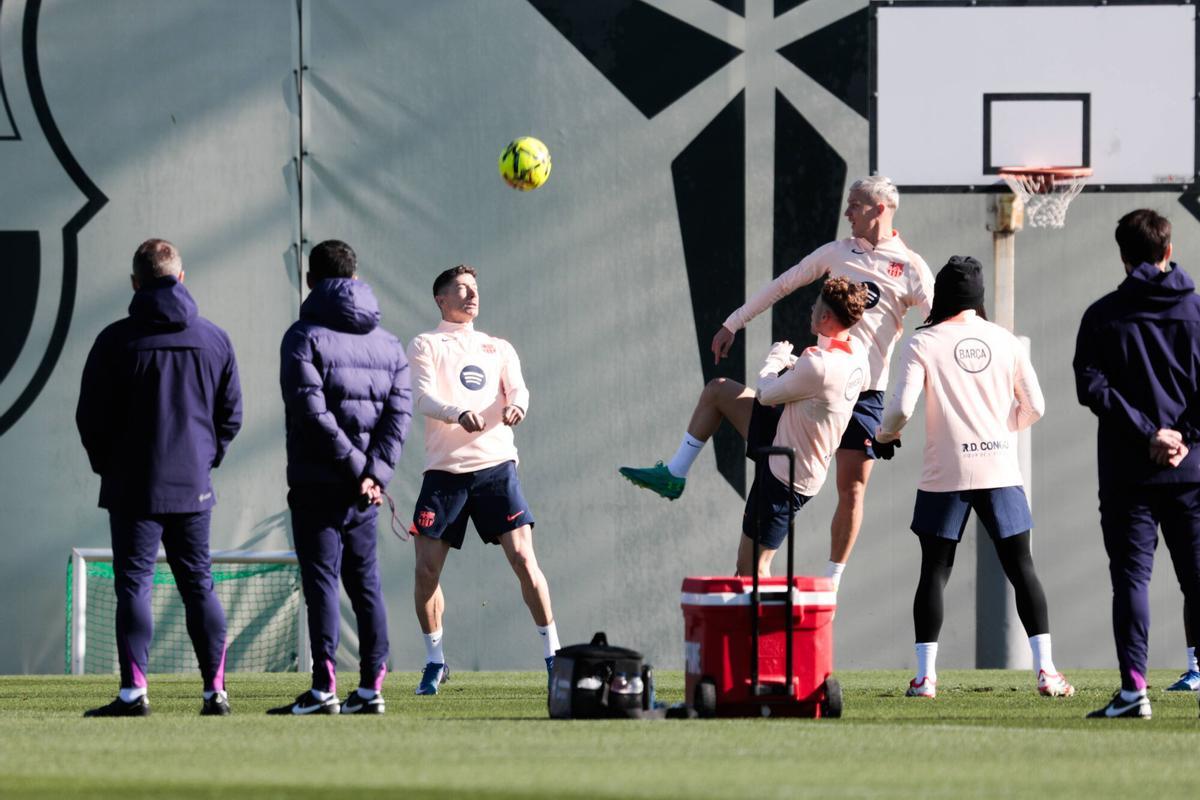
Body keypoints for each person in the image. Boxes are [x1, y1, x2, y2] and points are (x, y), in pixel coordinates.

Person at [619, 176, 932, 589]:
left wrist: (907, 405)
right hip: (817, 386)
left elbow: (936, 328)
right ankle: (679, 475)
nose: (846, 212)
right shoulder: (837, 252)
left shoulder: (911, 268)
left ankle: (830, 582)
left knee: (851, 488)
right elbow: (784, 283)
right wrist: (733, 322)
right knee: (734, 407)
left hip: (864, 393)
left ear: (879, 209)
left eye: (854, 205)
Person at [874, 256, 1073, 700]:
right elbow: (1035, 406)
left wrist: (885, 436)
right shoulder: (1005, 341)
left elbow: (901, 409)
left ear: (941, 294)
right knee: (1022, 569)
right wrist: (1003, 432)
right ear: (979, 297)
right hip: (1000, 467)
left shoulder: (922, 342)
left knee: (935, 571)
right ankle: (1048, 673)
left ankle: (925, 678)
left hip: (945, 471)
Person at [76, 239, 242, 717]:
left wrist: (108, 465)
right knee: (199, 584)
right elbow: (231, 415)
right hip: (192, 485)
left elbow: (90, 417)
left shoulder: (114, 340)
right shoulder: (214, 339)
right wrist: (206, 460)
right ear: (181, 278)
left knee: (133, 586)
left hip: (132, 486)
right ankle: (215, 693)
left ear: (135, 283)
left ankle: (134, 694)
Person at [625, 278, 870, 576]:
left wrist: (775, 360)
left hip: (788, 475)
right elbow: (833, 383)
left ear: (825, 317)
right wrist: (796, 367)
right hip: (785, 432)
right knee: (718, 391)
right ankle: (674, 475)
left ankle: (766, 624)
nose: (811, 308)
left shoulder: (818, 365)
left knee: (751, 571)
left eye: (815, 305)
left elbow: (766, 393)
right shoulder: (855, 352)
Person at [270, 240, 411, 715]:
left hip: (317, 483)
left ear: (311, 280)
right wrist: (375, 475)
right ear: (355, 278)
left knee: (323, 584)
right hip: (364, 492)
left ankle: (324, 688)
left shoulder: (302, 335)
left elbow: (311, 411)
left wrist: (358, 470)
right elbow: (399, 416)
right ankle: (372, 688)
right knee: (365, 584)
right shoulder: (389, 344)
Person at [407, 265, 558, 695]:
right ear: (441, 299)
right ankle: (435, 661)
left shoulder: (498, 347)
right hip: (444, 474)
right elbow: (422, 397)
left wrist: (519, 407)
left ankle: (553, 656)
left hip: (496, 467)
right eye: (461, 289)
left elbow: (520, 391)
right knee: (426, 571)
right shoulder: (426, 343)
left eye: (475, 289)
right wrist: (457, 413)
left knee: (525, 562)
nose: (472, 295)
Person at [1073, 209, 1200, 719]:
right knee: (1195, 576)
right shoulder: (1195, 312)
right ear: (1167, 251)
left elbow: (1091, 387)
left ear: (1123, 256)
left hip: (1129, 471)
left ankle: (1134, 690)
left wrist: (1149, 433)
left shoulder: (1103, 315)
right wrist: (1183, 437)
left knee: (1131, 580)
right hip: (1191, 468)